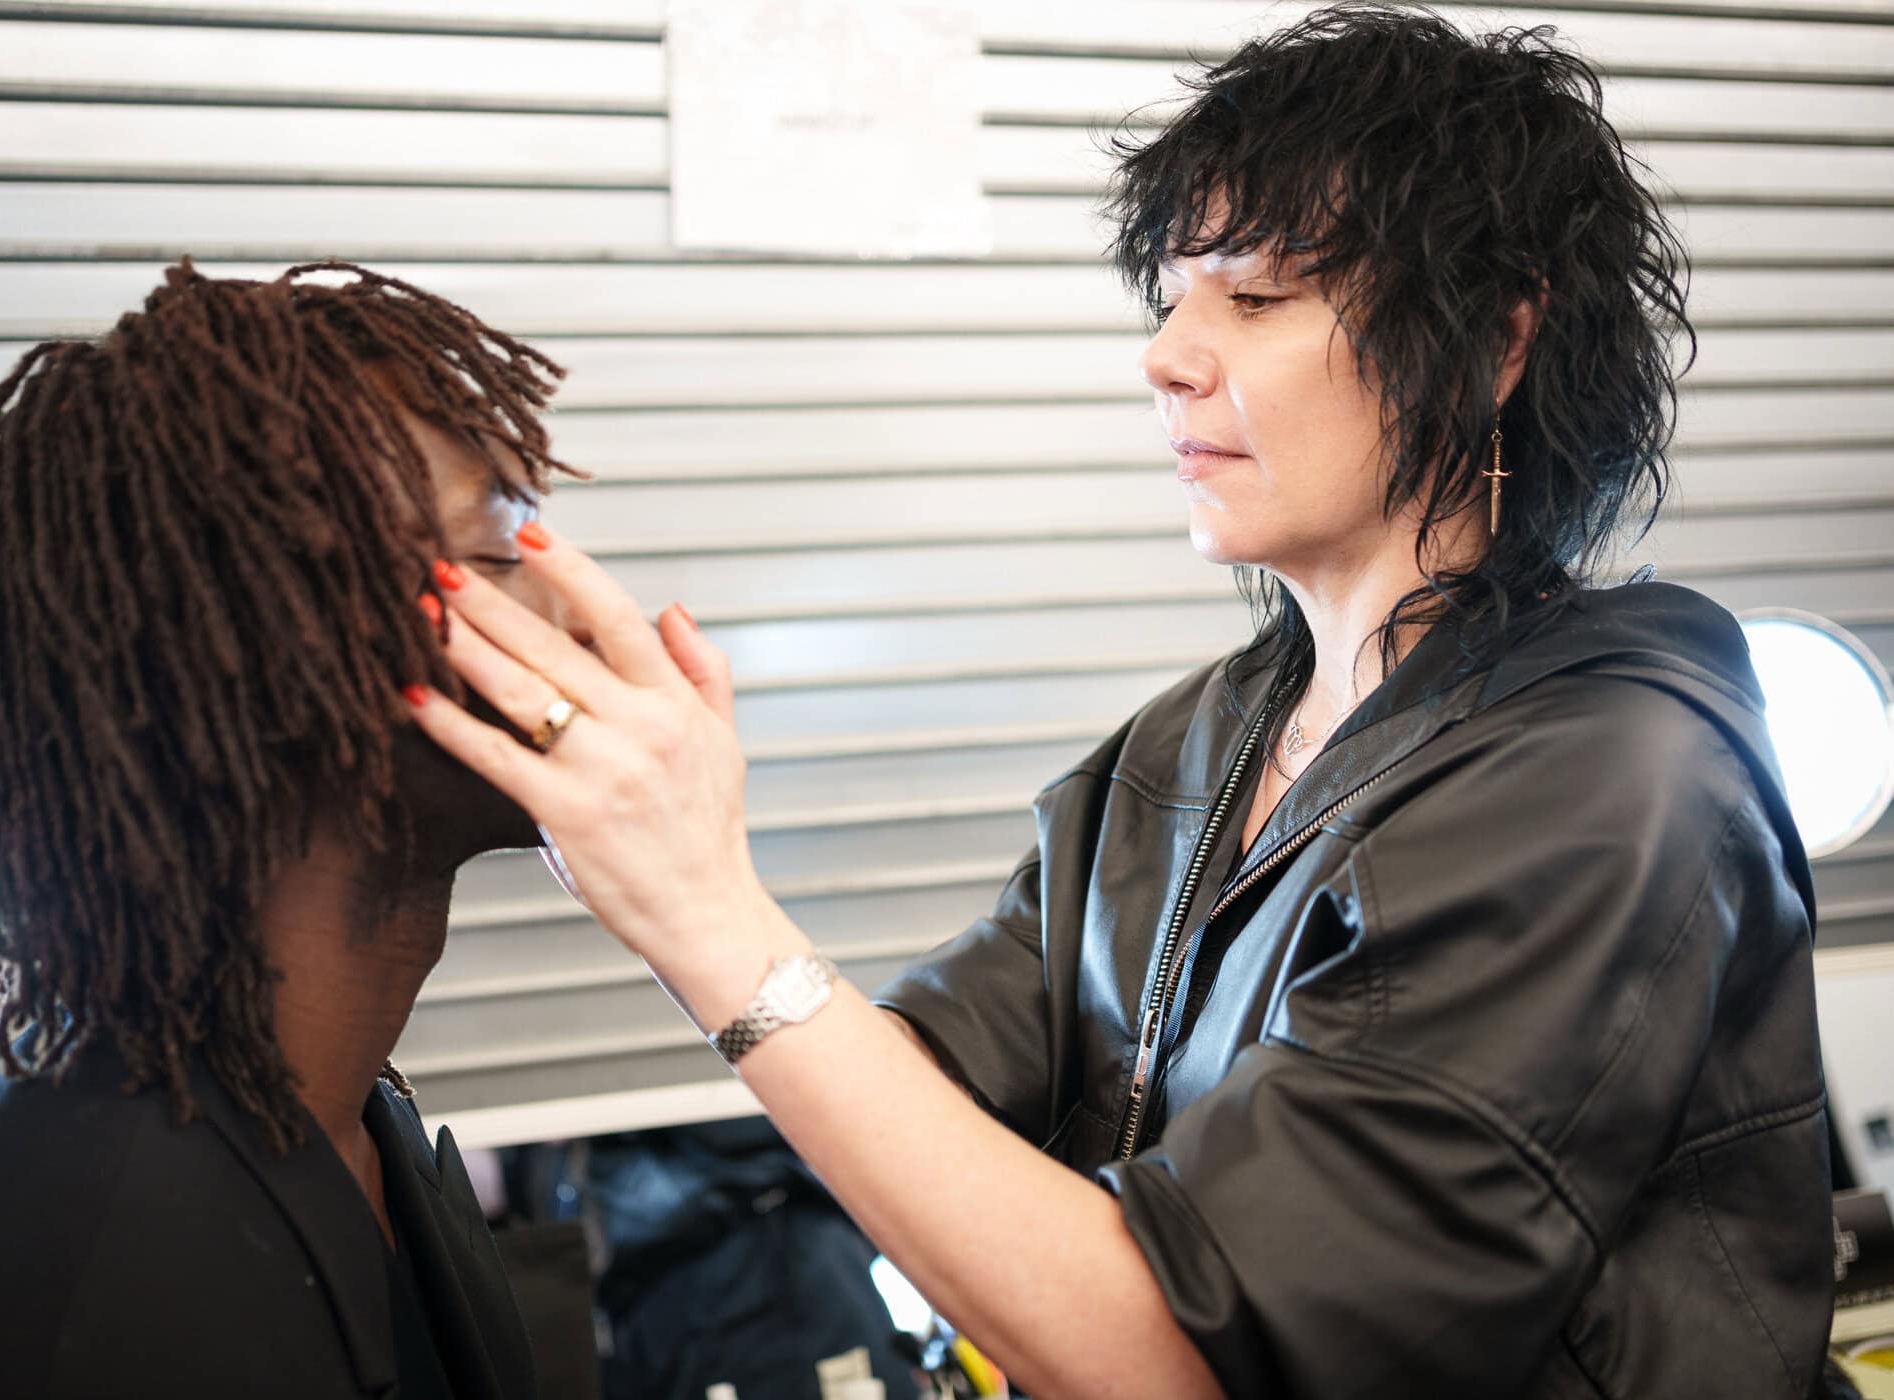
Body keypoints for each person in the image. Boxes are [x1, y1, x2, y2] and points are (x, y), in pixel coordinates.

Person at [400, 8, 1840, 1398]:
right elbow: (926, 1087)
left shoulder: (1612, 774)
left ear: (1495, 340)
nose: (1166, 356)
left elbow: (1186, 1355)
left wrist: (704, 913)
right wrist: (647, 809)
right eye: (1172, 297)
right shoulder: (1196, 744)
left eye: (1255, 297)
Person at [0, 261, 577, 1399]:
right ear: (274, 666)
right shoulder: (98, 1311)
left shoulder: (327, 1106)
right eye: (502, 555)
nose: (582, 613)